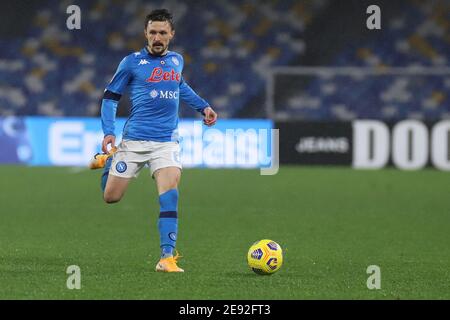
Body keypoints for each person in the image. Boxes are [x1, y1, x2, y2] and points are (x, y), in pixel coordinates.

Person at [89, 9, 217, 273]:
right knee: (111, 197)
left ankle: (166, 257)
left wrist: (203, 107)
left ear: (171, 34)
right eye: (152, 32)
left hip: (166, 142)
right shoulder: (132, 62)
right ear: (145, 34)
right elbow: (111, 97)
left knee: (170, 197)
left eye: (162, 32)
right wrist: (109, 132)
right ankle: (111, 160)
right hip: (134, 142)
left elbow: (181, 87)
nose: (157, 37)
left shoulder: (176, 61)